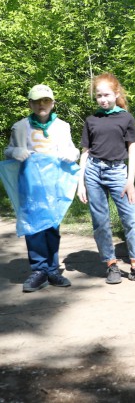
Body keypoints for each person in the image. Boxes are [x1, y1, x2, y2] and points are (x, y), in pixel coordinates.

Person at [77, 73, 135, 285]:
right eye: (99, 96)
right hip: (93, 172)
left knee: (130, 218)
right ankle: (111, 264)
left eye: (107, 95)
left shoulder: (126, 118)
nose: (103, 99)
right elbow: (85, 151)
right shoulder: (92, 120)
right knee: (100, 222)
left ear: (116, 94)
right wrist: (80, 182)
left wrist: (130, 181)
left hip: (117, 172)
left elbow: (133, 150)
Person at [5, 84, 79, 292]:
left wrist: (72, 154)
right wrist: (15, 151)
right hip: (30, 186)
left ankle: (53, 269)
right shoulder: (20, 127)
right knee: (33, 227)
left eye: (45, 100)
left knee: (52, 227)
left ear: (53, 103)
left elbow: (72, 149)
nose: (41, 105)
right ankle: (39, 270)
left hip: (54, 185)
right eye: (36, 101)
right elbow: (9, 150)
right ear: (30, 104)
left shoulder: (62, 126)